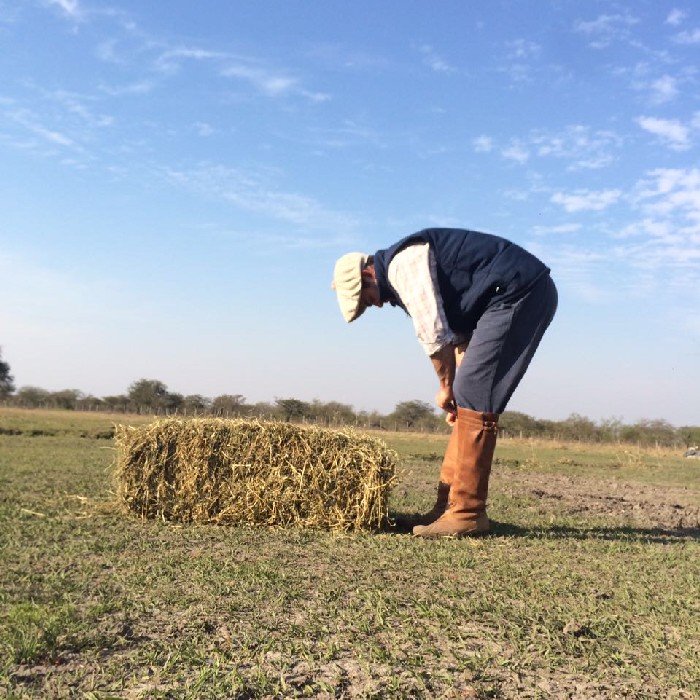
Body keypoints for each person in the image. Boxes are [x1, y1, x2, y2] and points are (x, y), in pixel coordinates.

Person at [331, 228, 557, 538]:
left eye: (366, 300)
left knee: (472, 392)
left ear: (367, 275)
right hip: (502, 298)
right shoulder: (403, 274)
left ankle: (467, 512)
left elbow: (434, 336)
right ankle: (447, 509)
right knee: (468, 394)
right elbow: (458, 339)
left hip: (520, 291)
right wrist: (457, 397)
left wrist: (447, 386)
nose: (376, 305)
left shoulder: (403, 265)